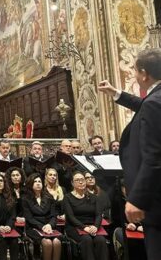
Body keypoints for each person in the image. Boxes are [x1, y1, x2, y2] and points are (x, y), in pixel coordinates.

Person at [98, 48, 161, 260]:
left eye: (134, 70)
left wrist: (136, 199)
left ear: (144, 73)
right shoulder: (156, 99)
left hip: (156, 201)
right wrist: (116, 93)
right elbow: (144, 104)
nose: (133, 74)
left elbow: (154, 158)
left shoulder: (154, 103)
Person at [63, 171, 108, 260]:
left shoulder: (94, 197)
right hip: (75, 227)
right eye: (77, 180)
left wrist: (95, 226)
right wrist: (84, 227)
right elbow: (71, 217)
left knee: (101, 240)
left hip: (92, 226)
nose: (81, 182)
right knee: (87, 239)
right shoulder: (67, 198)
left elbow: (99, 215)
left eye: (82, 180)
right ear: (72, 183)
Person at [23, 173, 61, 260]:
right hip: (34, 227)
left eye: (39, 181)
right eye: (35, 181)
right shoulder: (25, 199)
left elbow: (53, 215)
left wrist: (49, 225)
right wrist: (43, 227)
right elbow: (29, 218)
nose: (38, 183)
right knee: (47, 242)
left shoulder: (49, 197)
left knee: (56, 242)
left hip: (49, 226)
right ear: (30, 184)